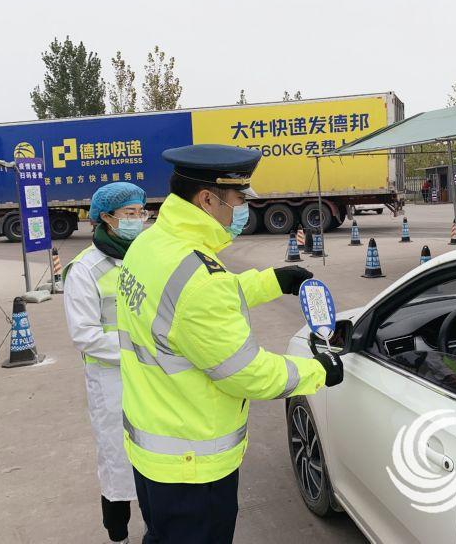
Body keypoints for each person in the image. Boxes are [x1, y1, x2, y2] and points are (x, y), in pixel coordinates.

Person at [117, 144, 344, 543]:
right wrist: (317, 371)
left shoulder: (152, 244)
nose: (243, 209)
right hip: (193, 462)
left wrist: (270, 282)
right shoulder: (197, 275)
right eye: (239, 199)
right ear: (207, 199)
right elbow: (247, 373)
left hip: (154, 444)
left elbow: (186, 306)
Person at [63, 182, 149, 544]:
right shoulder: (85, 268)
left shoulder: (145, 257)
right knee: (117, 463)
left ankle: (155, 530)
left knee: (155, 458)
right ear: (107, 217)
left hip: (151, 375)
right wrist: (138, 349)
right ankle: (118, 534)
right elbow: (84, 334)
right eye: (130, 213)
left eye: (141, 212)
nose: (138, 220)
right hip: (111, 381)